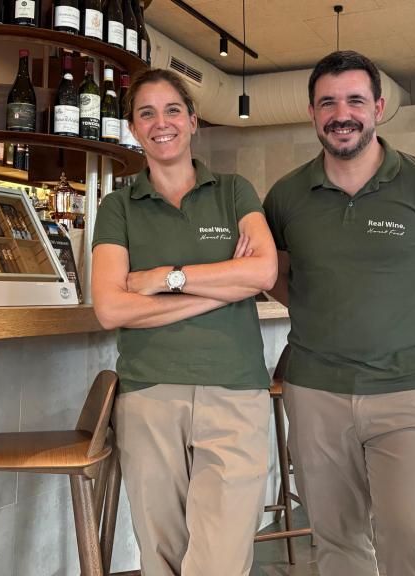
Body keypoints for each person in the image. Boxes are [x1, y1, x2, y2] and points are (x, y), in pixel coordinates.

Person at [263, 51, 415, 576]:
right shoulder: (288, 195)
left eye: (355, 100)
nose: (343, 113)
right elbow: (274, 274)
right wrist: (319, 309)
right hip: (315, 391)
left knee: (411, 537)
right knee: (337, 541)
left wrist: (402, 313)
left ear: (378, 108)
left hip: (404, 390)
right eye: (328, 102)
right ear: (313, 113)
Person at [90, 69, 277, 576]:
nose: (161, 123)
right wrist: (221, 292)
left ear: (193, 120)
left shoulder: (234, 191)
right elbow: (111, 308)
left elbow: (263, 270)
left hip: (235, 392)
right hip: (150, 393)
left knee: (220, 559)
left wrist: (166, 277)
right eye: (146, 113)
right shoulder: (118, 206)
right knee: (161, 556)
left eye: (173, 110)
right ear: (132, 129)